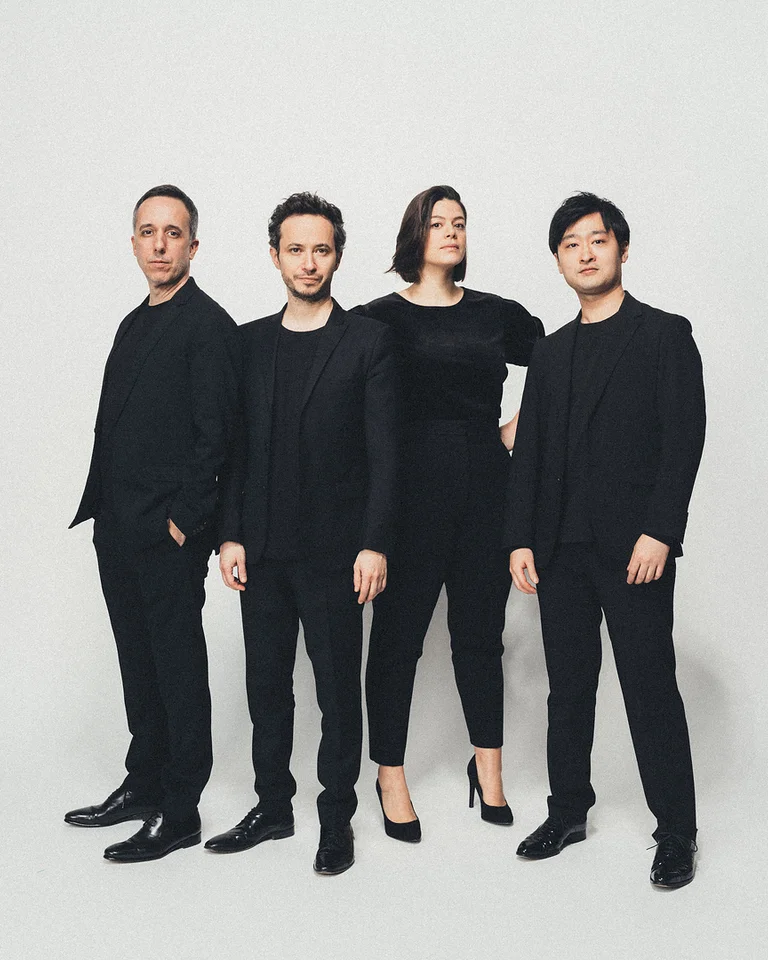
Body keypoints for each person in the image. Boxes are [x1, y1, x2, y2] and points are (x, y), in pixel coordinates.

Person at [507, 192, 705, 888]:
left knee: (649, 686)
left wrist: (661, 531)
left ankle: (676, 831)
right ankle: (567, 812)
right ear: (558, 261)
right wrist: (520, 538)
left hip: (634, 550)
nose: (585, 254)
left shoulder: (664, 334)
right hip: (559, 549)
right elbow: (531, 453)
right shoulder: (550, 352)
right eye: (571, 245)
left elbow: (684, 439)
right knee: (568, 688)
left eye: (597, 240)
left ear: (621, 248)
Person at [206, 193, 398, 875]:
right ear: (274, 256)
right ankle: (272, 807)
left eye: (321, 249)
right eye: (296, 249)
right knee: (266, 687)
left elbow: (386, 454)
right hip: (260, 549)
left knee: (338, 691)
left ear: (337, 255)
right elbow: (234, 449)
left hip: (336, 554)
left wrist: (374, 543)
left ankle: (336, 817)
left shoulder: (368, 341)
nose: (309, 262)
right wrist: (229, 534)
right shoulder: (248, 343)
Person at [355, 185, 543, 841]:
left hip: (487, 490)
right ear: (416, 233)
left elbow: (560, 359)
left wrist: (518, 428)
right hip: (408, 498)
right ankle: (389, 775)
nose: (452, 231)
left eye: (460, 222)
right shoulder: (378, 319)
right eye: (438, 222)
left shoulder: (495, 313)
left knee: (480, 637)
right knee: (397, 640)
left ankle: (488, 769)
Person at [66, 185, 240, 862]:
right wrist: (106, 514)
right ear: (134, 242)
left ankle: (180, 807)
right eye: (148, 231)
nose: (160, 244)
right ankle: (143, 783)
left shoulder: (209, 325)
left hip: (167, 534)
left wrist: (184, 524)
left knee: (176, 667)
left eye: (173, 233)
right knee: (137, 663)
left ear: (193, 245)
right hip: (117, 526)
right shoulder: (133, 322)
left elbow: (216, 438)